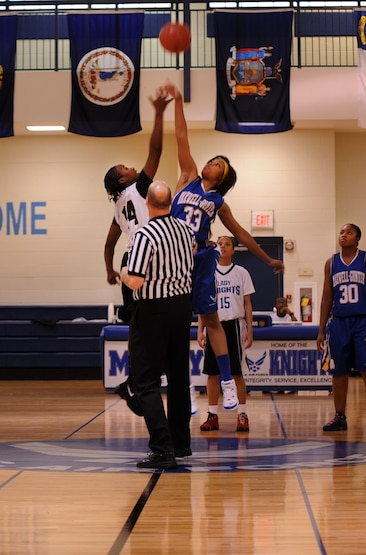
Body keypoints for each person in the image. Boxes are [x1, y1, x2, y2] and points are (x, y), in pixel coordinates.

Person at [165, 83, 285, 413]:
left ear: (222, 176)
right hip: (172, 258)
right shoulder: (187, 175)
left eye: (218, 162)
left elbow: (243, 235)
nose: (211, 161)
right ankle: (185, 386)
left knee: (211, 320)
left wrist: (268, 259)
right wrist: (177, 101)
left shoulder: (218, 201)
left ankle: (229, 383)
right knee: (171, 325)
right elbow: (181, 136)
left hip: (201, 257)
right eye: (212, 158)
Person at [120, 181, 195, 469]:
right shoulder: (186, 230)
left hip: (152, 310)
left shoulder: (144, 234)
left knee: (145, 382)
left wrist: (123, 273)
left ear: (147, 204)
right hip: (182, 308)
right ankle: (180, 443)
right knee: (178, 379)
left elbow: (136, 280)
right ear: (171, 202)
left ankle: (162, 448)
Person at [103, 88, 171, 324]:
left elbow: (109, 245)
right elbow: (156, 151)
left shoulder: (118, 207)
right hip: (150, 258)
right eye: (127, 168)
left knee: (135, 319)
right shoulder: (141, 187)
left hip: (129, 260)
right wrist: (160, 114)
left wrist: (109, 271)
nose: (133, 168)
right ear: (124, 180)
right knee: (157, 313)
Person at [316, 223, 366, 433]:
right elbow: (327, 297)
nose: (344, 235)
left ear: (357, 238)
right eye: (342, 232)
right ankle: (340, 416)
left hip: (363, 322)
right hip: (338, 323)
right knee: (338, 372)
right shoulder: (331, 263)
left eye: (349, 232)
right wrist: (320, 330)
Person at [198, 236, 255, 433]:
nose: (222, 246)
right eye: (219, 244)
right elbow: (202, 303)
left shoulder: (242, 273)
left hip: (235, 326)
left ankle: (242, 413)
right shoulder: (208, 273)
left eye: (227, 244)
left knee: (236, 373)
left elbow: (248, 304)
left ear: (233, 250)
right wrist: (200, 331)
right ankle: (212, 415)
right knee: (212, 374)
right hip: (213, 325)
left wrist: (249, 329)